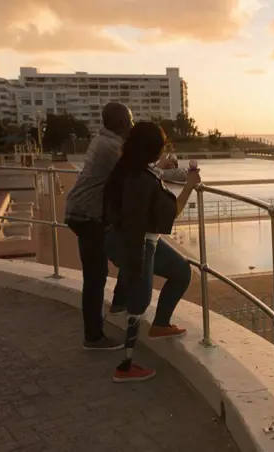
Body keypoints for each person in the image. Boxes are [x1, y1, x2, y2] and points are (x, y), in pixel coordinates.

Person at [103, 121, 201, 382]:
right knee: (139, 302)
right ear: (154, 150)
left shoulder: (126, 169)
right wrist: (190, 185)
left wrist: (158, 171)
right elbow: (170, 214)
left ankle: (160, 324)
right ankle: (125, 366)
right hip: (139, 243)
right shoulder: (141, 180)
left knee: (181, 271)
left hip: (125, 238)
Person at [65, 103, 134, 350]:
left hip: (84, 214)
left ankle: (118, 303)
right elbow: (137, 173)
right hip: (88, 216)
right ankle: (93, 337)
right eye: (131, 121)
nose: (132, 125)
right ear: (123, 123)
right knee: (96, 276)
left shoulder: (102, 140)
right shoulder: (111, 147)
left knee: (122, 258)